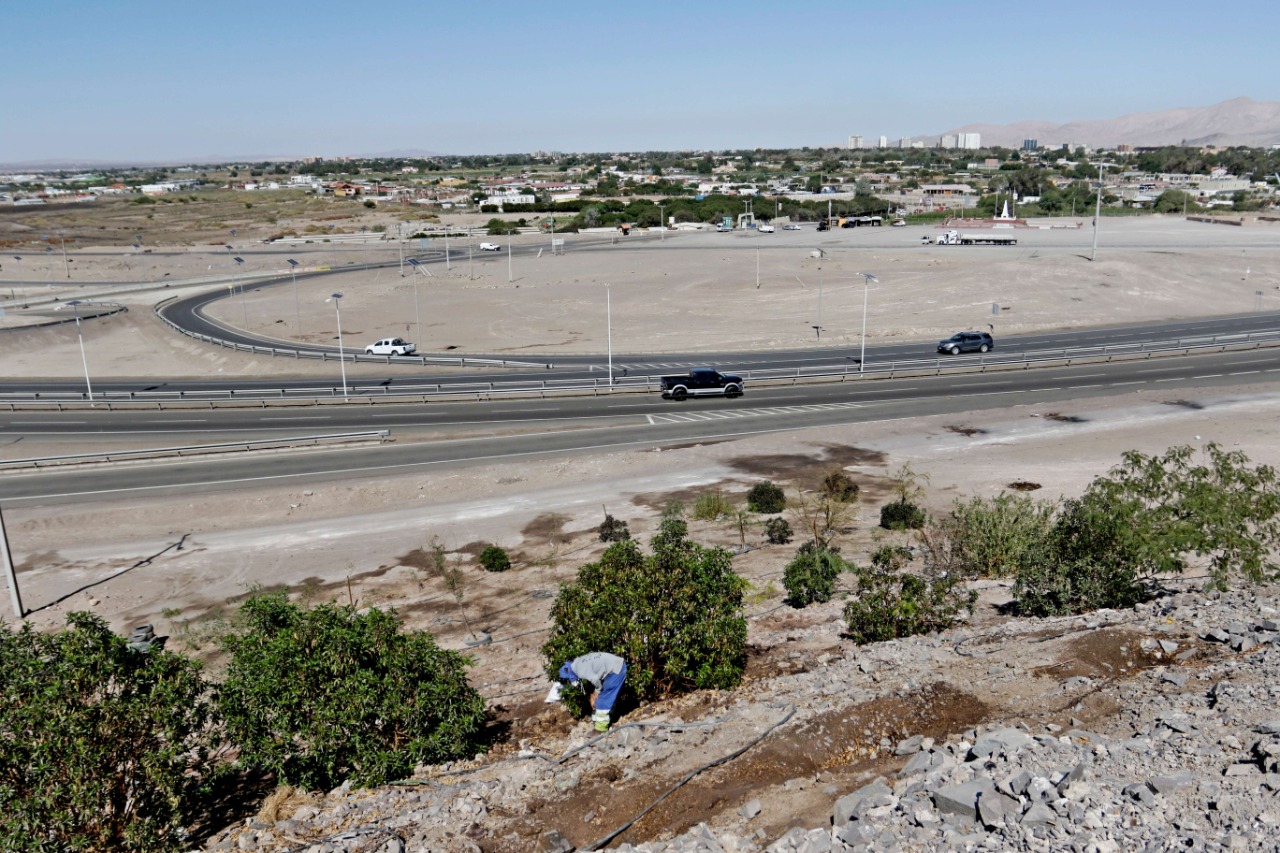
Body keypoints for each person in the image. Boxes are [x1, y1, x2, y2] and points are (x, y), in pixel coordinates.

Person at [559, 652, 627, 732]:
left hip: (616, 669)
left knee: (603, 700)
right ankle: (606, 720)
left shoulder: (579, 671)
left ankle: (600, 729)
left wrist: (596, 692)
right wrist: (594, 694)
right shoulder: (577, 663)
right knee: (604, 697)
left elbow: (595, 680)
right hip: (616, 666)